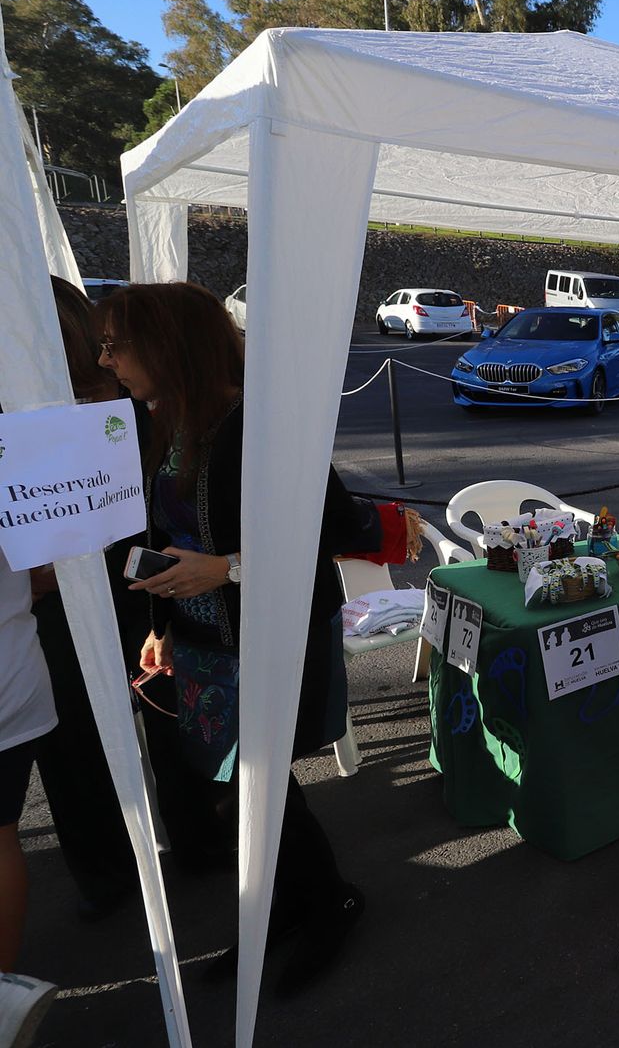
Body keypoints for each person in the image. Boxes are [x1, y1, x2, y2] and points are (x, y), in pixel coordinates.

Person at [93, 282, 381, 997]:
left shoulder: (262, 421)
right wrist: (161, 627)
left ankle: (329, 901)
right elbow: (171, 535)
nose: (105, 359)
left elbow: (336, 528)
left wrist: (226, 568)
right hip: (201, 642)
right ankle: (291, 905)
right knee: (232, 788)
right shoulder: (170, 418)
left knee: (261, 784)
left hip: (267, 635)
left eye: (115, 344)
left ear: (166, 344)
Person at [27, 277, 141, 923]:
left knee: (92, 727)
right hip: (57, 590)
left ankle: (113, 864)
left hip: (96, 577)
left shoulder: (58, 307)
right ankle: (109, 865)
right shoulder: (60, 304)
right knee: (75, 737)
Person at [0, 549, 58, 1048]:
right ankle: (2, 996)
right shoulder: (12, 471)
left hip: (12, 680)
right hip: (14, 681)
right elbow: (47, 574)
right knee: (0, 840)